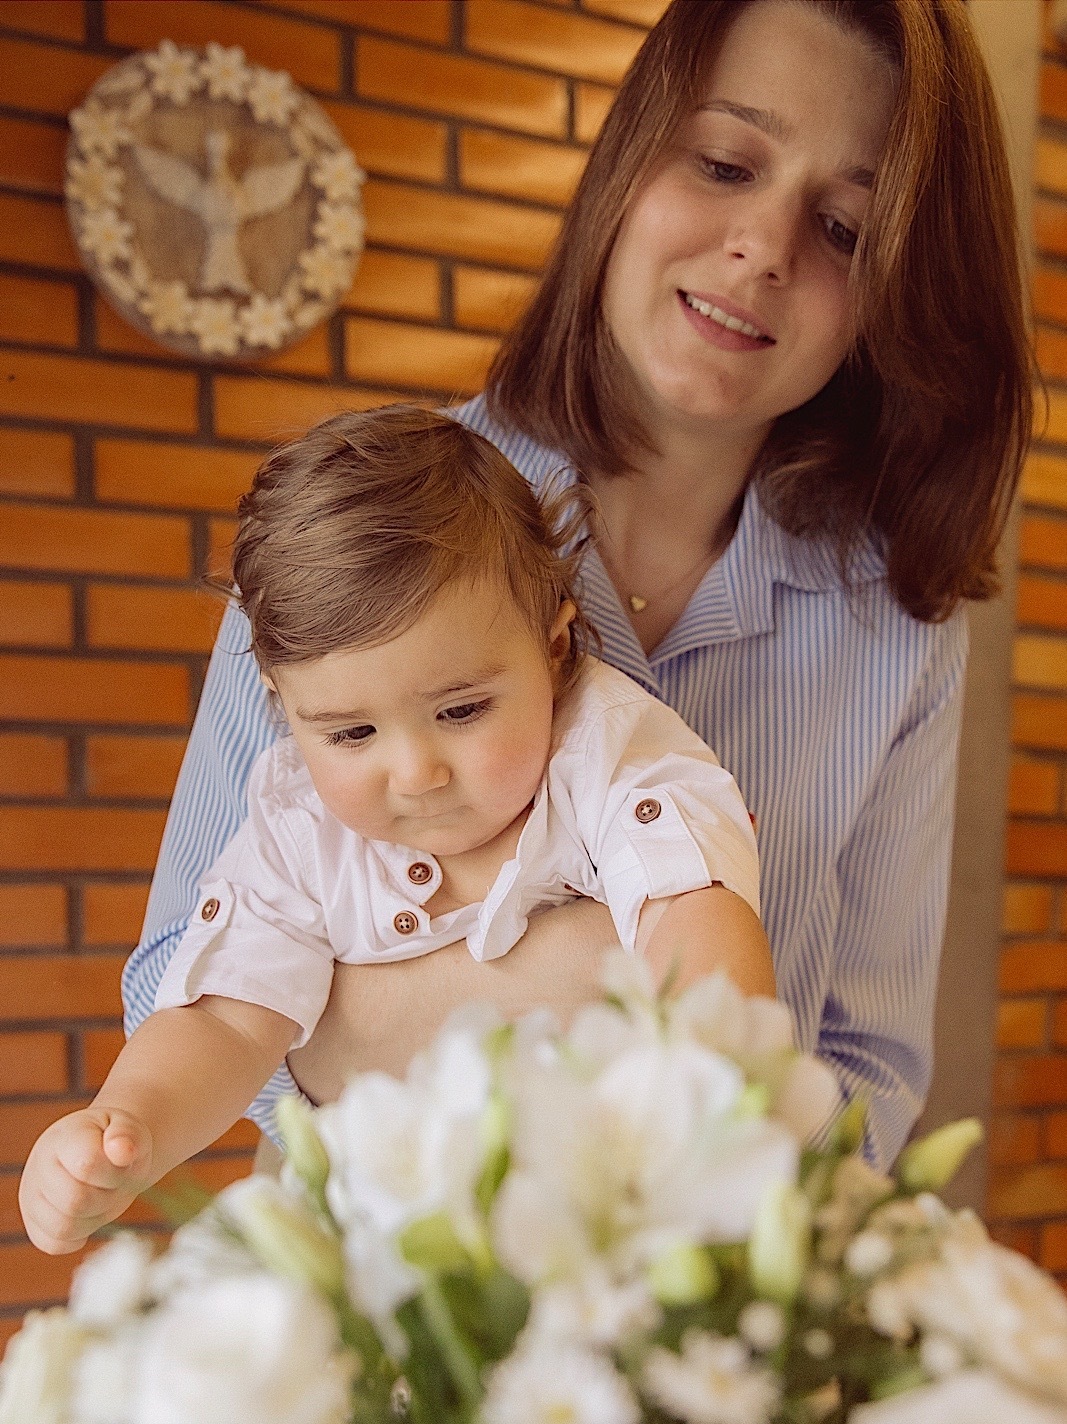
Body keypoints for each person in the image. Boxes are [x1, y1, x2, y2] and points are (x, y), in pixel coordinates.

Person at [120, 0, 1031, 1176]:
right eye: (721, 162)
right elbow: (176, 985)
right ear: (628, 160)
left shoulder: (896, 626)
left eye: (845, 227)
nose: (762, 246)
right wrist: (587, 981)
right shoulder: (351, 544)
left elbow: (869, 1067)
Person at [19, 406, 771, 1255]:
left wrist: (721, 1096)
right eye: (349, 735)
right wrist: (127, 1126)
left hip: (596, 1218)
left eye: (460, 709)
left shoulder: (606, 749)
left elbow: (692, 911)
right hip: (370, 1237)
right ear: (280, 705)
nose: (416, 774)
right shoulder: (297, 824)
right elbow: (229, 1021)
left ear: (553, 648)